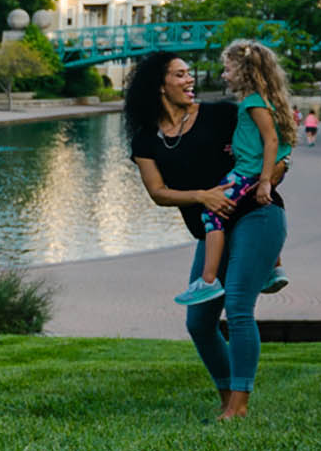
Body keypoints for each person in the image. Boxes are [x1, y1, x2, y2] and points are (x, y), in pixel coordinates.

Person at [125, 52, 289, 422]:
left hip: (256, 215)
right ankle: (227, 396)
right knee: (199, 322)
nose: (190, 80)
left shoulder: (222, 115)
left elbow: (276, 143)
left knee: (239, 306)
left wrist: (271, 177)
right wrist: (203, 196)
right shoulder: (146, 140)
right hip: (212, 230)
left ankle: (239, 406)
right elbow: (158, 192)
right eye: (180, 74)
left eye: (189, 74)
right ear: (159, 85)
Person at [174, 39, 295, 307]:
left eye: (228, 70)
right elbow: (259, 138)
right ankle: (274, 269)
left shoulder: (253, 102)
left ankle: (208, 280)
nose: (224, 75)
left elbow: (271, 140)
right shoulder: (260, 100)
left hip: (248, 173)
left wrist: (265, 181)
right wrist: (238, 146)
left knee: (211, 213)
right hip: (251, 168)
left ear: (245, 72)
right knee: (241, 208)